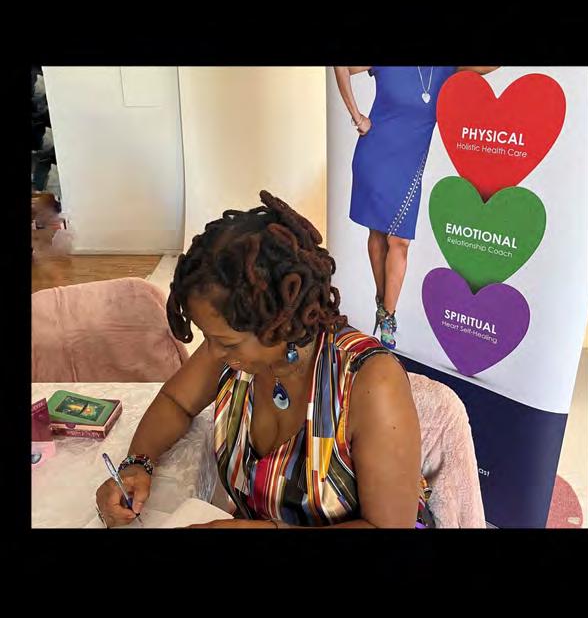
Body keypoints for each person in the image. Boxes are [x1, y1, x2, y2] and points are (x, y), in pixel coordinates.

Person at [96, 190, 436, 528]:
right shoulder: (233, 352)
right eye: (209, 338)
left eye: (225, 342)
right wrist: (138, 463)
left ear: (280, 324)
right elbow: (176, 401)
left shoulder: (370, 382)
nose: (213, 352)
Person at [334, 66, 500, 349]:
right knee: (378, 233)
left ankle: (386, 312)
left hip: (409, 167)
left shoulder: (447, 69)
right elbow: (342, 68)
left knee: (400, 241)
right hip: (375, 157)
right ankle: (385, 309)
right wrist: (357, 116)